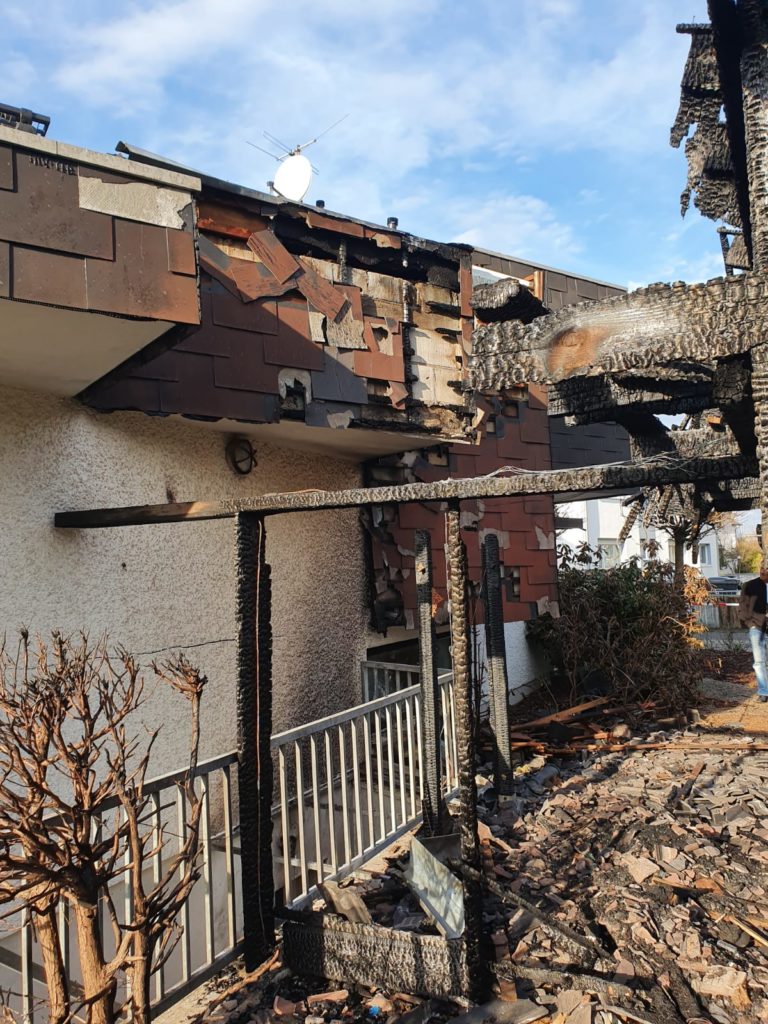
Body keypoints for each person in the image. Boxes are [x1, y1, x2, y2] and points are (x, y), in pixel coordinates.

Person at [738, 566, 768, 703]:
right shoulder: (749, 586)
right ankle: (764, 692)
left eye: (767, 568)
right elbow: (742, 607)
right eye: (762, 567)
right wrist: (750, 623)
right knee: (759, 662)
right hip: (756, 626)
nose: (763, 570)